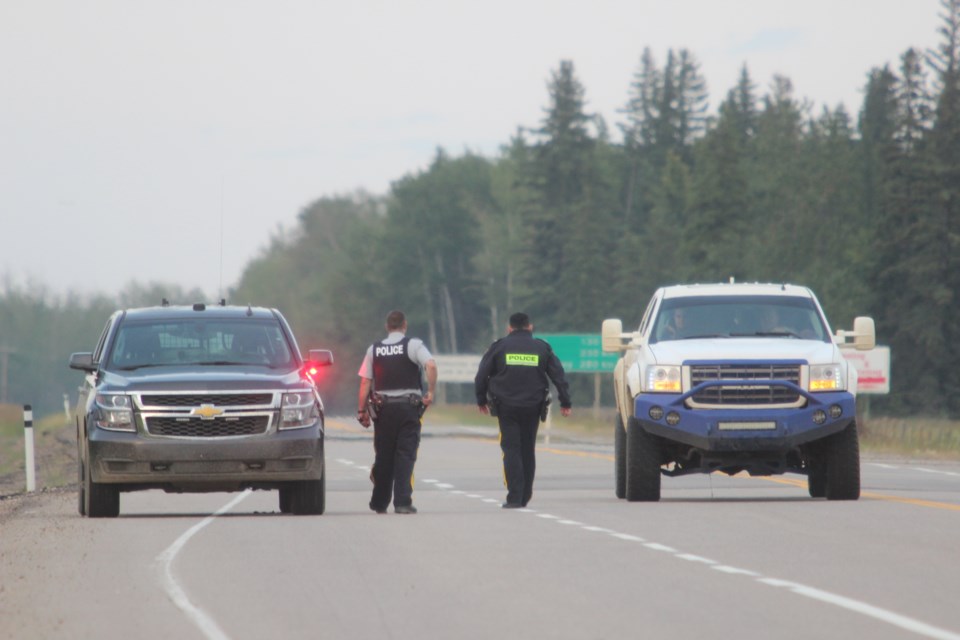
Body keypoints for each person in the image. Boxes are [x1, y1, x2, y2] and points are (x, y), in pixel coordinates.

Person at [474, 312, 572, 509]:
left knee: (511, 450)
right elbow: (558, 376)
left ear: (509, 328)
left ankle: (515, 497)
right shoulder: (542, 347)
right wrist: (565, 402)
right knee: (527, 450)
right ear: (530, 327)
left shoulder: (499, 346)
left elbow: (481, 375)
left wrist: (481, 399)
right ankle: (525, 495)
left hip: (506, 408)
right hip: (533, 407)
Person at [357, 310, 437, 514]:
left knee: (384, 456)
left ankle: (379, 502)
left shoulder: (373, 350)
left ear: (387, 327)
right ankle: (402, 502)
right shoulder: (413, 345)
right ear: (405, 325)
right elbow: (430, 364)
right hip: (409, 409)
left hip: (383, 410)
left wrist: (362, 411)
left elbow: (365, 382)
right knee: (405, 455)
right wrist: (430, 391)